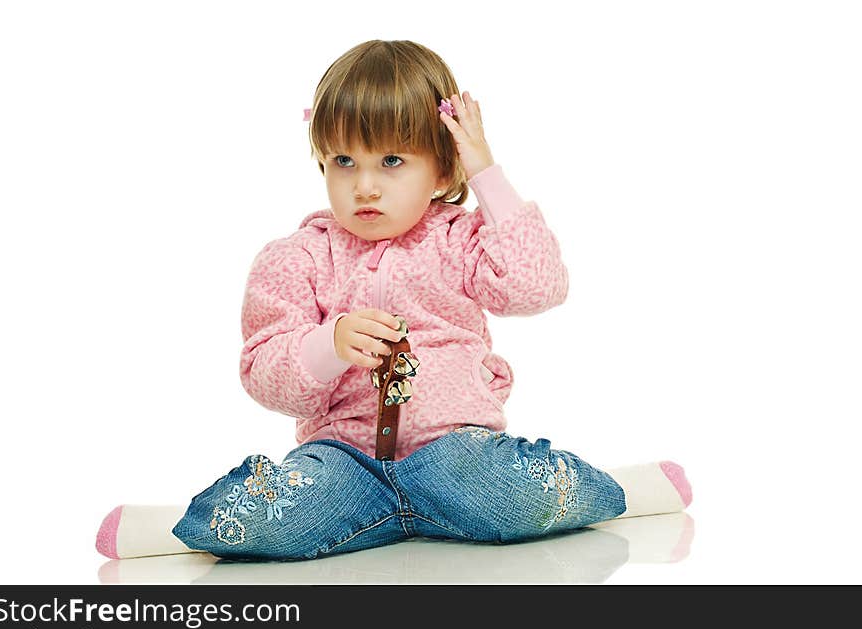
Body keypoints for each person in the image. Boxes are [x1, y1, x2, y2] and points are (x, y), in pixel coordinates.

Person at [95, 39, 692, 562]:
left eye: (392, 161)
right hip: (345, 465)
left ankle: (613, 491)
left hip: (455, 454)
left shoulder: (460, 240)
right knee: (274, 510)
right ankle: (184, 532)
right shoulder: (298, 257)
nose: (366, 185)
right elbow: (262, 373)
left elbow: (539, 286)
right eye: (344, 161)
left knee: (496, 491)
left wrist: (485, 172)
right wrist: (327, 347)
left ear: (440, 169)